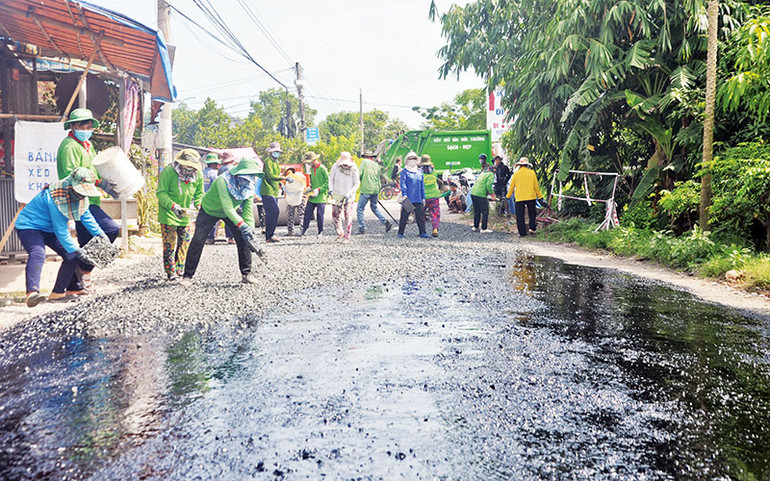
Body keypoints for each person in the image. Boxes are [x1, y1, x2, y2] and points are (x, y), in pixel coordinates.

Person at [15, 168, 106, 306]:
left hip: (49, 229)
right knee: (38, 253)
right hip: (29, 226)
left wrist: (101, 235)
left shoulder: (79, 196)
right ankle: (32, 294)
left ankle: (58, 292)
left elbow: (86, 216)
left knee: (72, 256)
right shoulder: (56, 197)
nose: (82, 194)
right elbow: (61, 231)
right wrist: (78, 250)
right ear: (72, 185)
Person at [57, 108, 120, 294]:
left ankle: (73, 285)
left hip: (91, 198)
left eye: (89, 126)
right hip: (77, 198)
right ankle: (84, 270)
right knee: (110, 229)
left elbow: (94, 170)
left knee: (86, 242)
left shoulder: (87, 145)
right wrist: (98, 183)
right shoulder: (69, 146)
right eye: (82, 126)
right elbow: (72, 174)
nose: (86, 129)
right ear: (73, 127)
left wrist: (106, 182)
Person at [181, 158, 263, 286]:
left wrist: (250, 231)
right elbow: (227, 207)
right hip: (210, 210)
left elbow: (247, 212)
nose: (249, 178)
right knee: (198, 240)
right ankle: (187, 276)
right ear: (239, 173)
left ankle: (247, 274)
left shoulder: (249, 187)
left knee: (243, 238)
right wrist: (242, 225)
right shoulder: (223, 181)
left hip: (232, 212)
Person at [157, 149, 204, 280]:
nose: (189, 170)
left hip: (185, 215)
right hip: (169, 213)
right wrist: (173, 206)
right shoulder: (169, 171)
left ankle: (180, 269)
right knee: (169, 245)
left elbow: (199, 194)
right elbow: (161, 193)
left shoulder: (198, 175)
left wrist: (199, 205)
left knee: (185, 243)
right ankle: (171, 272)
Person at [356, 151, 392, 235]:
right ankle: (385, 221)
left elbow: (359, 174)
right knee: (374, 207)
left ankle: (362, 228)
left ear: (365, 156)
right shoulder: (376, 165)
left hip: (366, 188)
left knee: (360, 208)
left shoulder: (364, 162)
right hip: (376, 188)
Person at [329, 152, 360, 243]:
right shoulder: (335, 167)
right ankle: (340, 233)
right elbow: (331, 179)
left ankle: (347, 236)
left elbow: (357, 183)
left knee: (348, 216)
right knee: (335, 216)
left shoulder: (354, 168)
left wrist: (349, 193)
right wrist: (331, 189)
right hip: (337, 195)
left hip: (349, 196)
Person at [507, 157, 543, 237]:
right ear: (527, 165)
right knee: (532, 214)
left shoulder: (516, 174)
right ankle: (532, 228)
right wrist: (540, 196)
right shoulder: (532, 173)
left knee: (520, 216)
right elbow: (536, 186)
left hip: (519, 198)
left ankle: (522, 233)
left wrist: (508, 196)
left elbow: (512, 186)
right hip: (531, 197)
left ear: (520, 165)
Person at [397, 152, 429, 238]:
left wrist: (423, 197)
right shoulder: (404, 172)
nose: (412, 161)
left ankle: (422, 232)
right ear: (407, 161)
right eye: (410, 159)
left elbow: (422, 185)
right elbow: (402, 184)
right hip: (408, 198)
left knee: (420, 216)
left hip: (418, 198)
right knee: (404, 216)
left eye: (414, 159)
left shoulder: (419, 172)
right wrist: (404, 194)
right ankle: (400, 233)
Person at [261, 141, 286, 243]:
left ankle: (270, 235)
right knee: (274, 211)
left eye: (278, 152)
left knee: (272, 213)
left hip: (274, 190)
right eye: (275, 152)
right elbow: (270, 175)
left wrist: (281, 184)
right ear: (271, 152)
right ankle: (269, 234)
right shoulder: (268, 161)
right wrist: (283, 178)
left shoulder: (276, 162)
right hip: (267, 190)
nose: (277, 153)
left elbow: (276, 176)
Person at [301, 151, 329, 236]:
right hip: (313, 195)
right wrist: (309, 187)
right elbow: (312, 181)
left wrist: (319, 189)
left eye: (309, 162)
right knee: (307, 213)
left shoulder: (323, 168)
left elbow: (328, 182)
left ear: (314, 160)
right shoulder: (311, 169)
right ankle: (304, 230)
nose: (308, 164)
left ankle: (320, 231)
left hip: (321, 196)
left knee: (320, 215)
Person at [470, 154, 497, 232]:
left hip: (473, 192)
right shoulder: (491, 174)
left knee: (477, 211)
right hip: (480, 194)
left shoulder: (483, 173)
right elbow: (488, 185)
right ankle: (484, 228)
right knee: (485, 211)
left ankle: (475, 226)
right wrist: (492, 194)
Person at [420, 154, 443, 237]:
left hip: (424, 196)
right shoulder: (434, 172)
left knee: (420, 213)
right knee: (435, 212)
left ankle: (422, 231)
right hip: (434, 196)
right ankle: (435, 228)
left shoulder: (420, 173)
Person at [202, 152, 221, 244]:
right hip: (211, 199)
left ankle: (203, 237)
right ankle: (210, 237)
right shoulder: (214, 174)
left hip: (201, 199)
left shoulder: (201, 173)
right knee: (212, 218)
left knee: (203, 219)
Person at [283, 167, 307, 236]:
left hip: (291, 198)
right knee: (301, 215)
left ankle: (290, 232)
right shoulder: (300, 176)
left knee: (290, 215)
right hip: (301, 197)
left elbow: (285, 190)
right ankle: (303, 231)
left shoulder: (286, 179)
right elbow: (304, 187)